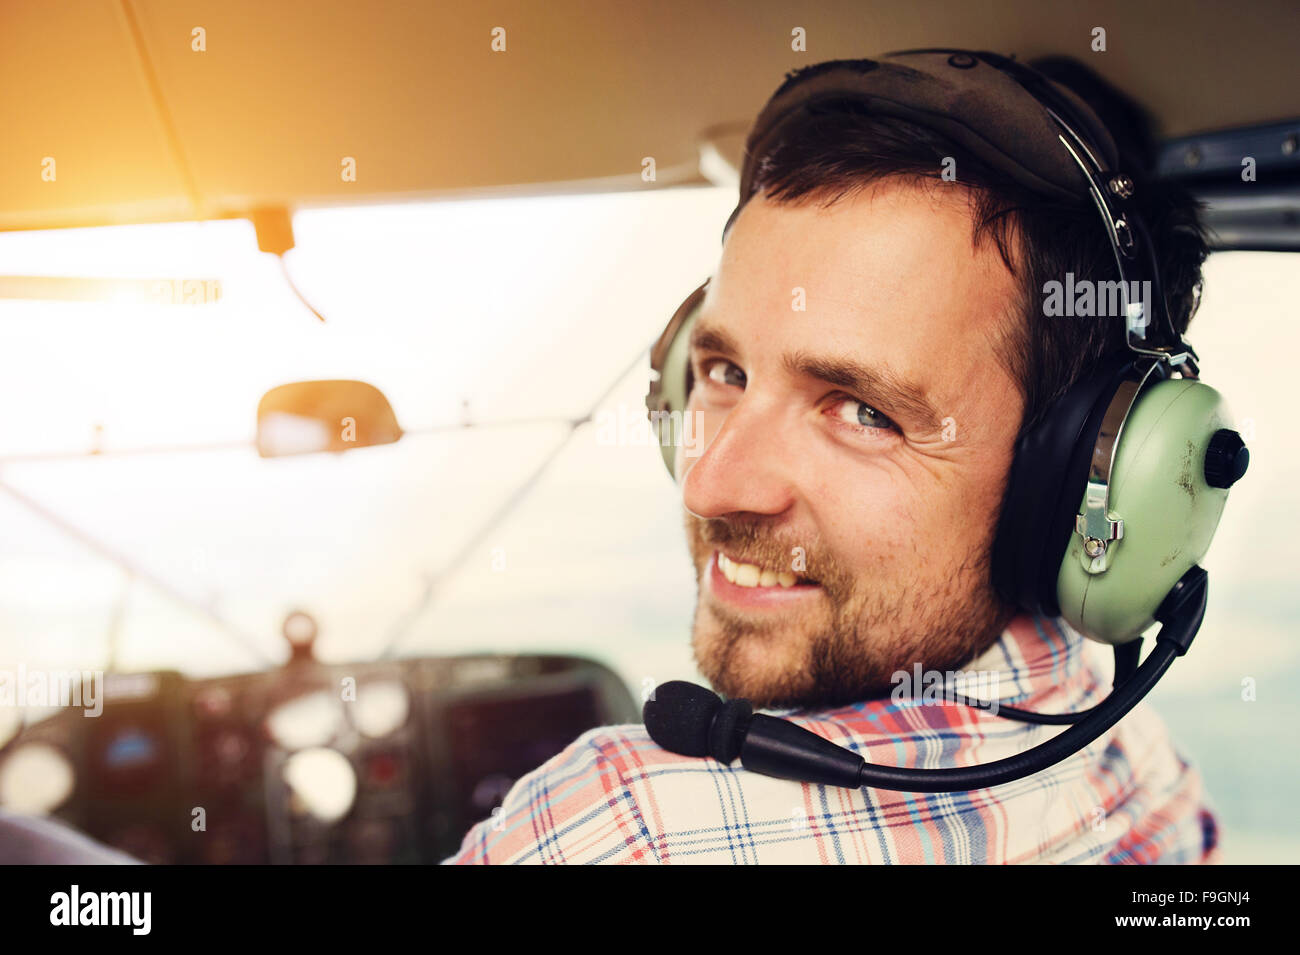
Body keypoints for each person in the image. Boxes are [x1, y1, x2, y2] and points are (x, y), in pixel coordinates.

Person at [443, 51, 1220, 864]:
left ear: (1072, 482)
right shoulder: (1145, 770)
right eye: (725, 373)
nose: (710, 485)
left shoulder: (625, 826)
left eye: (862, 412)